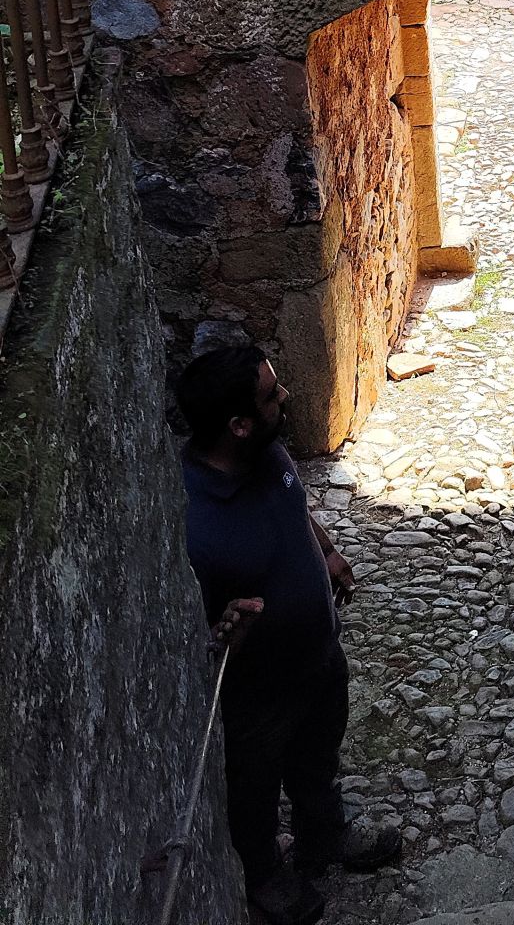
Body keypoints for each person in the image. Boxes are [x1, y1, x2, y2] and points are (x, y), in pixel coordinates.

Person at [175, 343, 401, 925]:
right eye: (273, 395)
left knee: (317, 756)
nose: (286, 398)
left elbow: (295, 506)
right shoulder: (192, 519)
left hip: (319, 657)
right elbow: (197, 638)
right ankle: (265, 877)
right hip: (260, 691)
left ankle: (324, 836)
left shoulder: (267, 453)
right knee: (254, 785)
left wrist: (327, 552)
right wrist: (226, 631)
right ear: (238, 424)